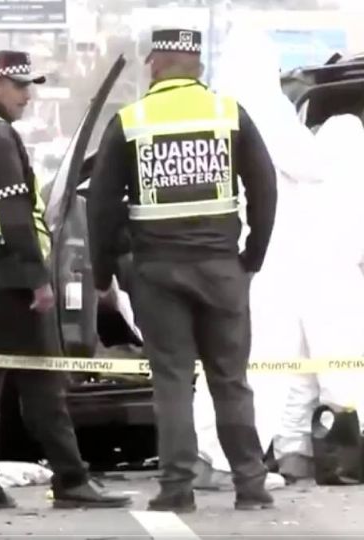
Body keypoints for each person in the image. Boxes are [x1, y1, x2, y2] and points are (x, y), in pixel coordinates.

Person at [87, 28, 278, 512]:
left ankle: (176, 490)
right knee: (230, 381)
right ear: (197, 65)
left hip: (158, 273)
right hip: (220, 268)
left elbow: (102, 206)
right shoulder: (228, 114)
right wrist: (252, 255)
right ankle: (251, 487)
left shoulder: (130, 121)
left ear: (155, 64)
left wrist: (101, 269)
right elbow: (265, 186)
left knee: (171, 381)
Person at [0, 50, 131, 511]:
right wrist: (38, 282)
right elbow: (13, 217)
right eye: (20, 86)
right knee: (45, 384)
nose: (29, 95)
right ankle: (71, 480)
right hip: (8, 281)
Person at [190, 24, 314, 491]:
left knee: (216, 361)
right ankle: (233, 462)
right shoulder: (269, 111)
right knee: (261, 361)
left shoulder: (211, 110)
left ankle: (204, 456)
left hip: (216, 251)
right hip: (267, 258)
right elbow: (312, 166)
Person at [273, 113, 364, 481]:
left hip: (294, 283)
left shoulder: (305, 181)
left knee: (299, 375)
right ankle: (347, 459)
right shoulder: (354, 184)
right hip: (339, 282)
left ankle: (292, 455)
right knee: (342, 376)